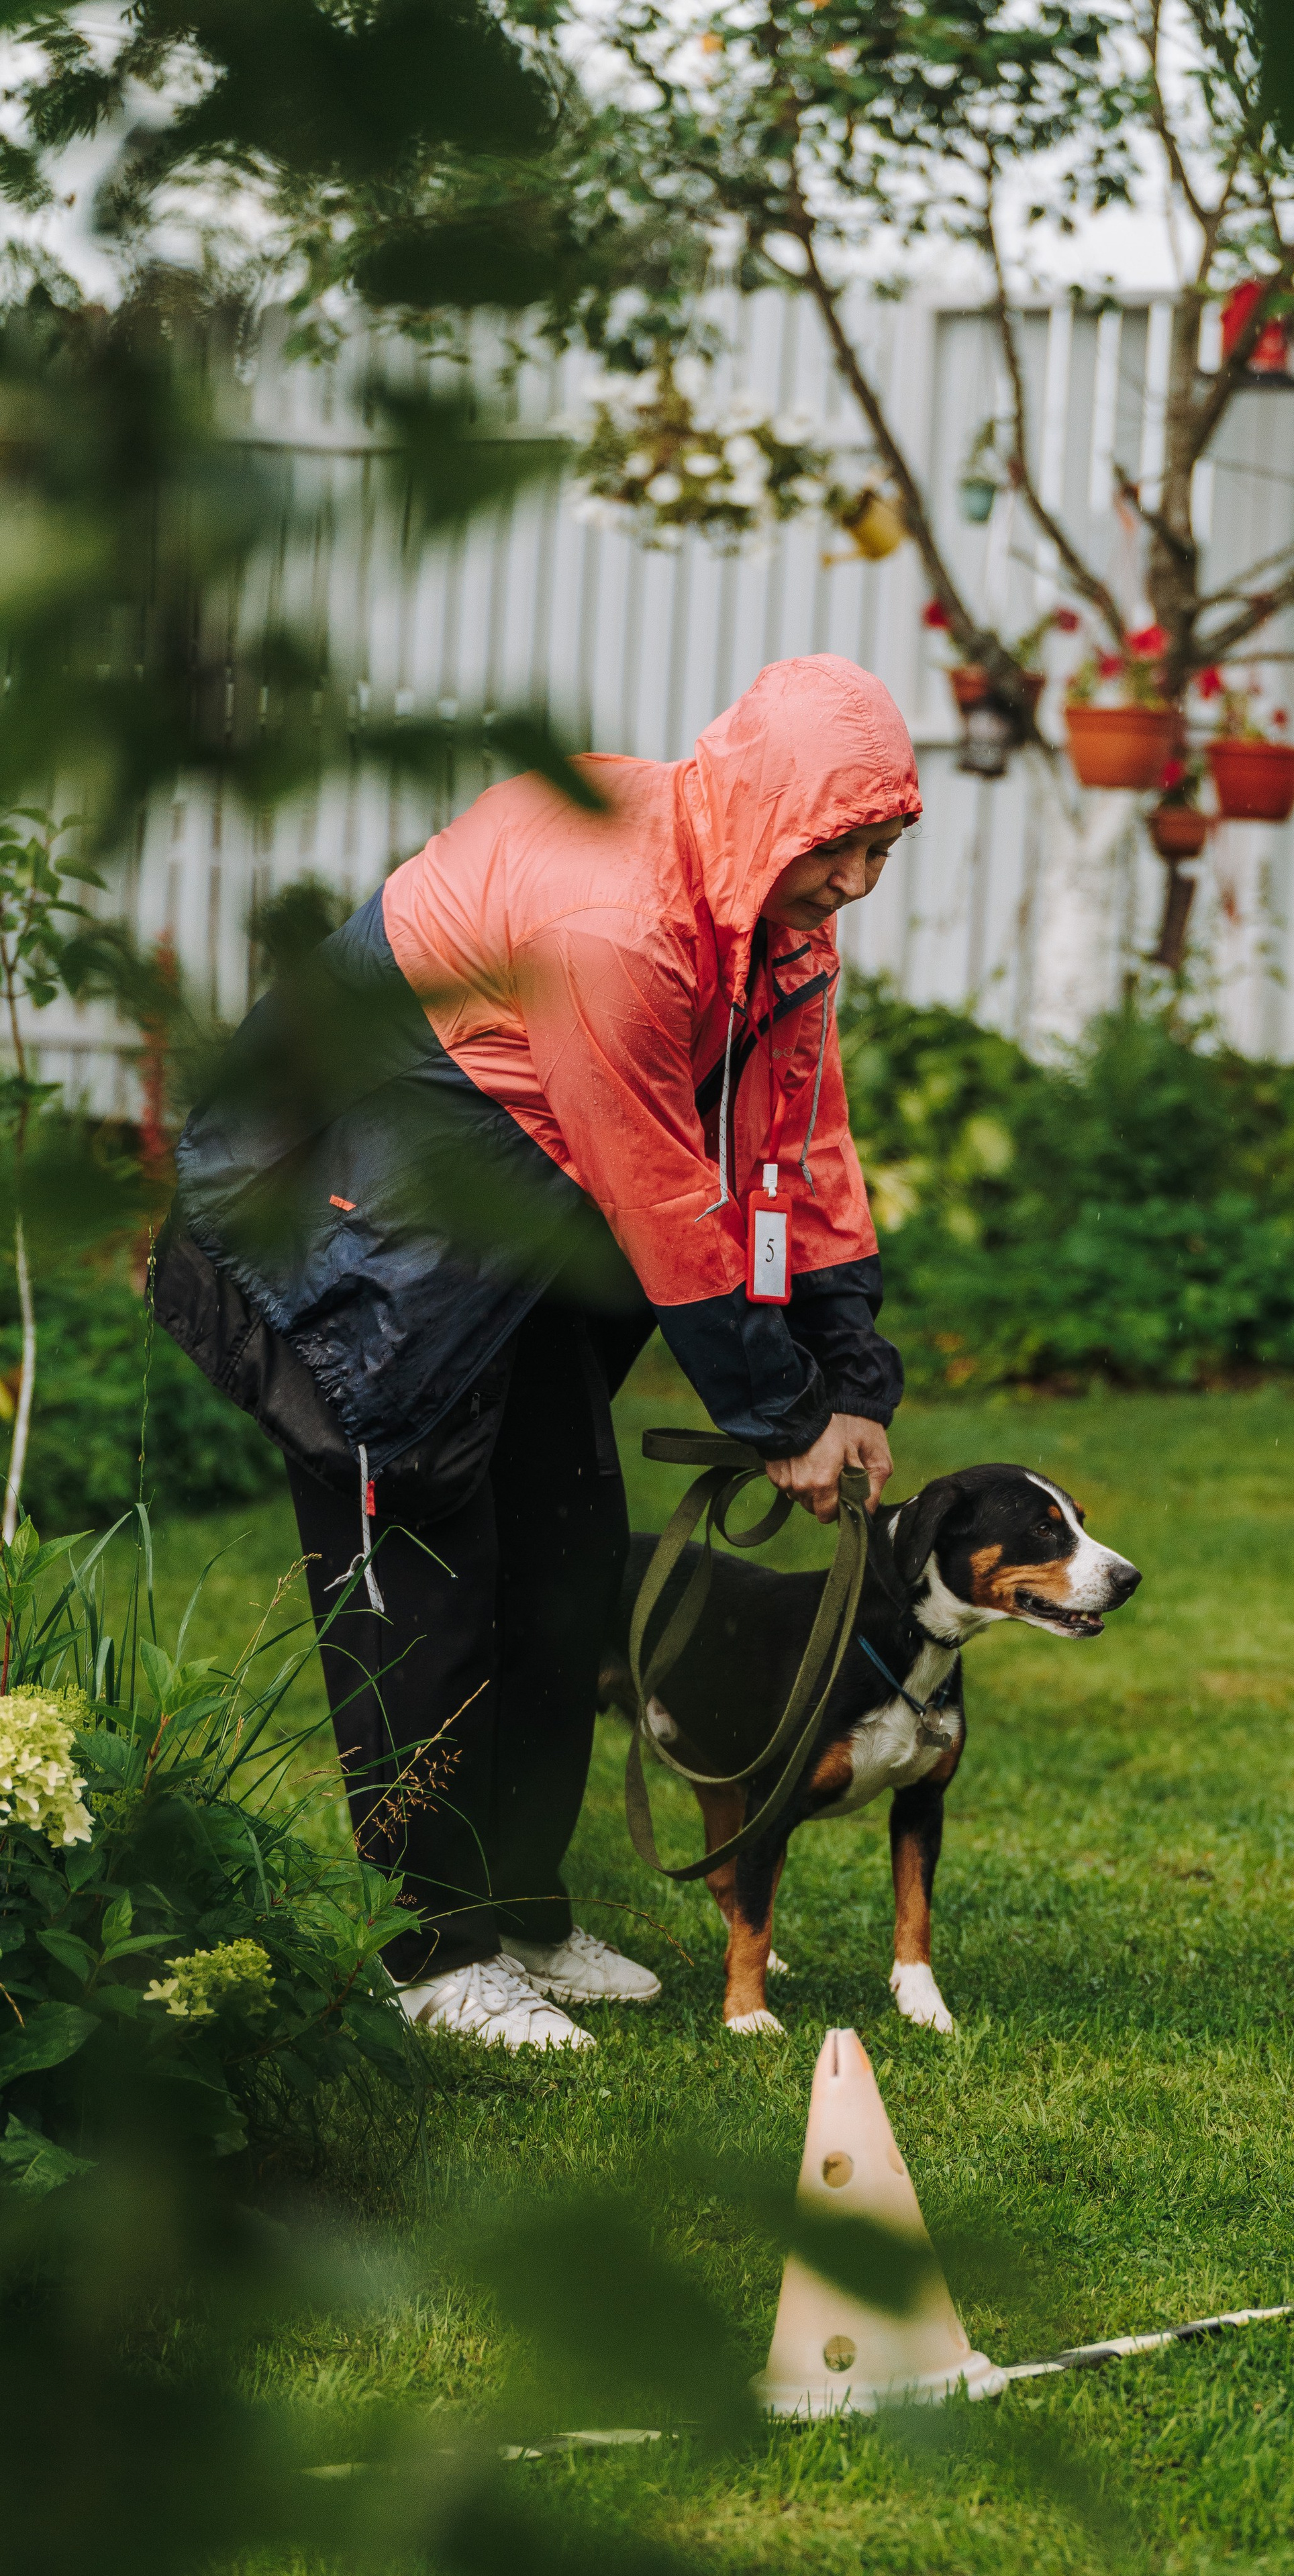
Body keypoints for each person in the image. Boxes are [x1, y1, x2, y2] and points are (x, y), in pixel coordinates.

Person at [155, 654, 917, 2049]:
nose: (858, 880)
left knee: (566, 1562)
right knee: (427, 1586)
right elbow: (665, 1195)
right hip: (346, 1203)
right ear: (766, 814)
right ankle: (432, 1949)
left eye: (879, 846)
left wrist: (847, 1373)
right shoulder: (612, 921)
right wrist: (776, 1415)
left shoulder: (770, 916)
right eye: (842, 847)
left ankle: (516, 1908)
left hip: (524, 1203)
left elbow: (788, 1152)